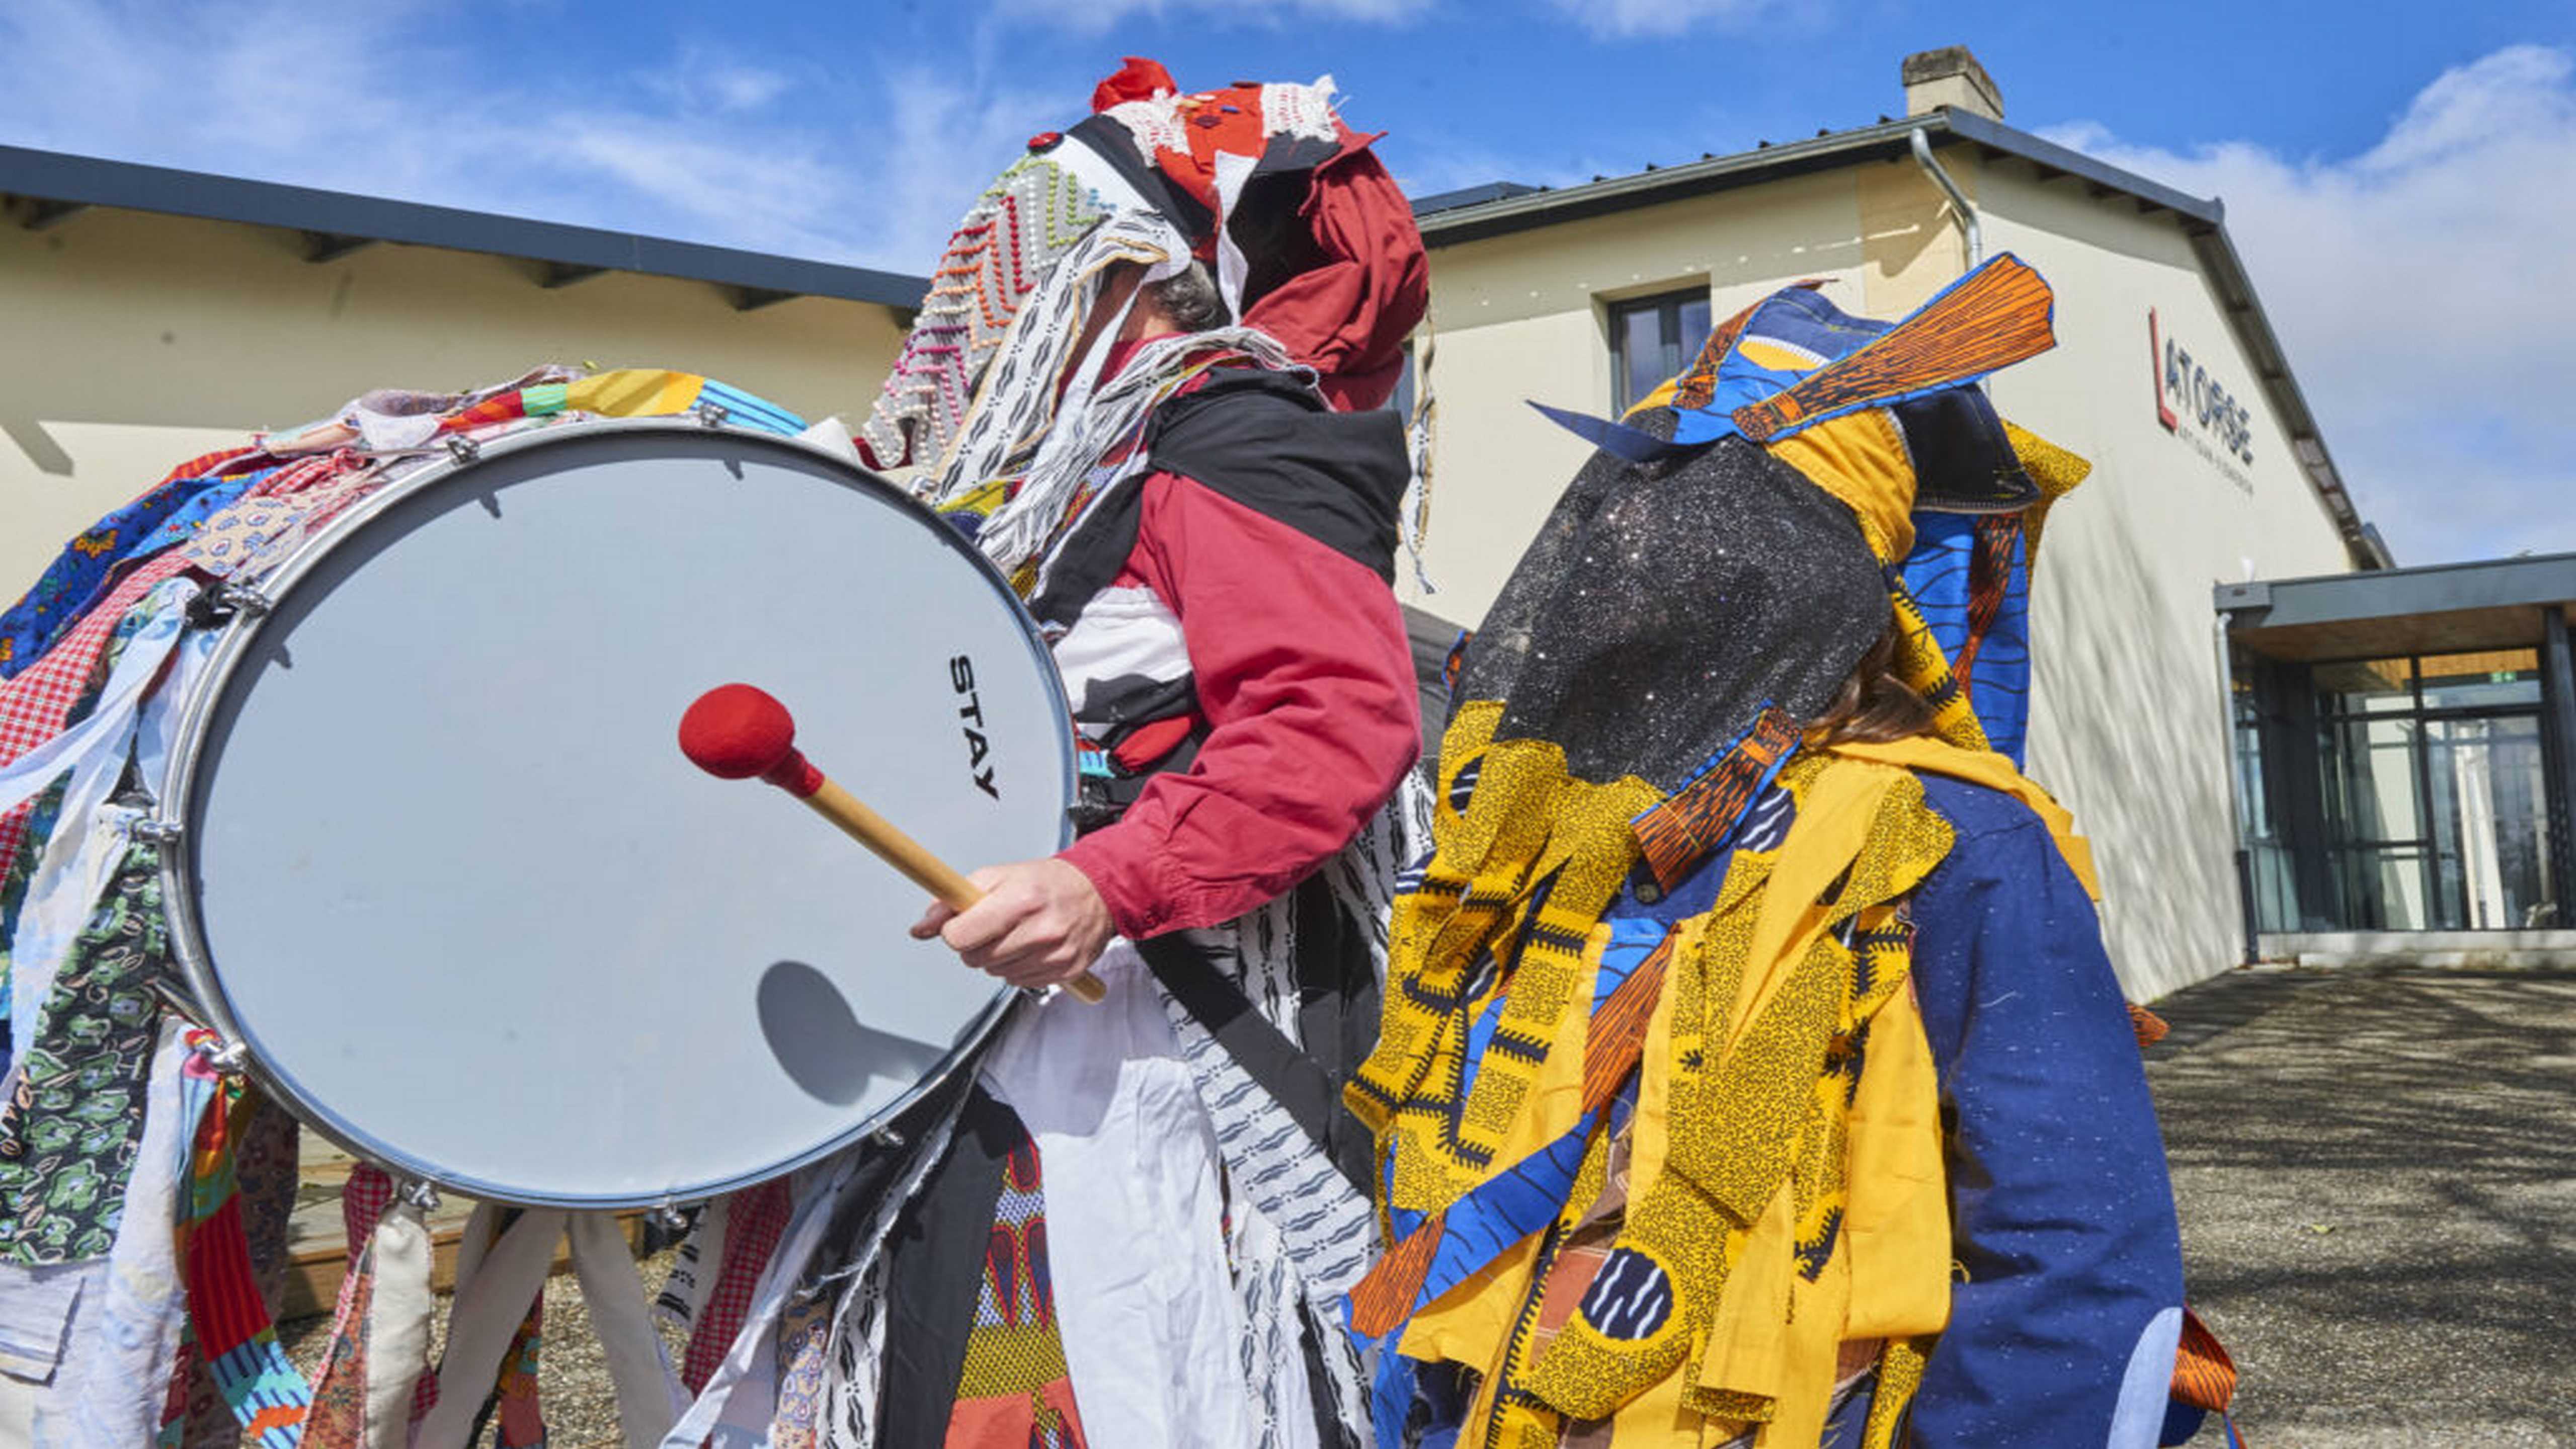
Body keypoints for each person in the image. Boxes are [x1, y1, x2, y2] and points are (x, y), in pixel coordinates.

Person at [1345, 259, 2235, 1447]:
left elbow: (2073, 1253)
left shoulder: (1956, 839)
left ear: (1813, 582)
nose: (1643, 565)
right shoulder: (1568, 836)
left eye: (1711, 529)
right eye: (1632, 517)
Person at [722, 58, 1432, 1449]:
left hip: (1170, 1033)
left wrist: (1110, 885)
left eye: (1022, 271)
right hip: (1002, 1027)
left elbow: (1335, 714)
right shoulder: (1068, 472)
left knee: (1159, 1371)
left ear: (1126, 277)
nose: (974, 319)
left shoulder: (1232, 434)